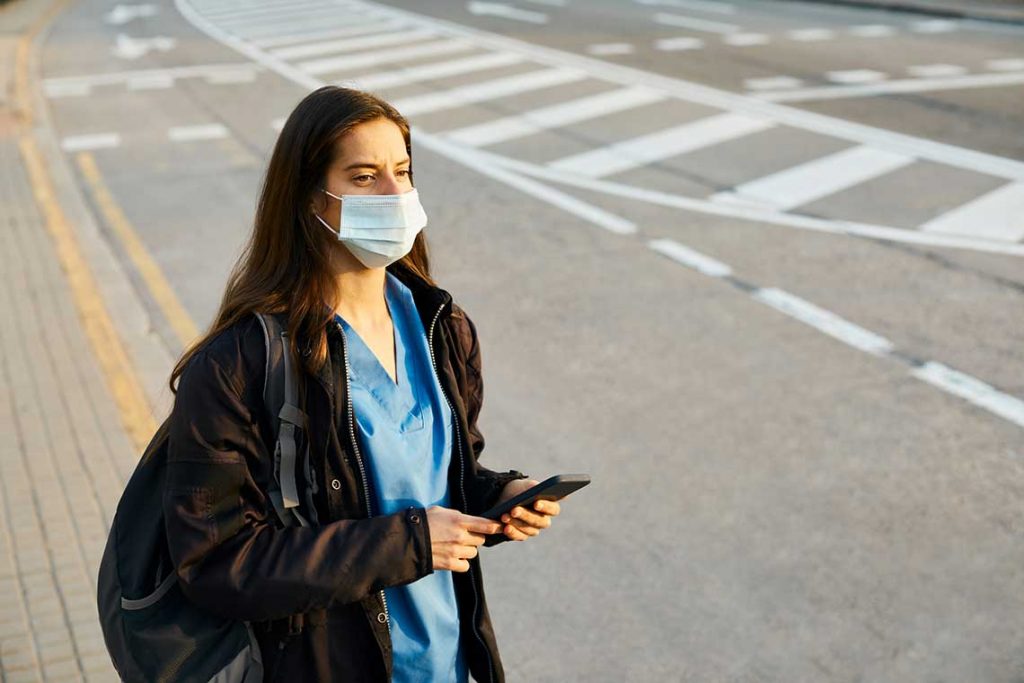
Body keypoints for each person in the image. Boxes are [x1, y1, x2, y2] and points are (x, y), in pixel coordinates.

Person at [162, 86, 560, 682]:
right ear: (308, 198)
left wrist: (500, 497)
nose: (396, 194)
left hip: (448, 664)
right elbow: (217, 564)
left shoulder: (442, 328)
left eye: (403, 171)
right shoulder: (239, 365)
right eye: (365, 177)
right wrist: (409, 544)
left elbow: (438, 481)